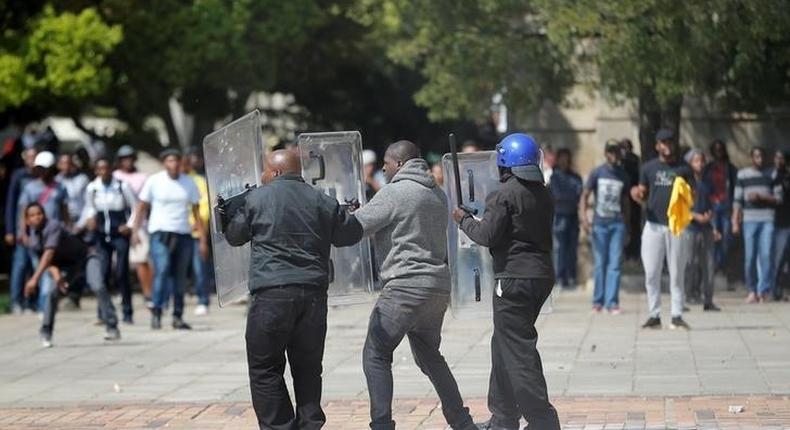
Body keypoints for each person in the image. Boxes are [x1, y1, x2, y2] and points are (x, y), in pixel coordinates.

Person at [222, 149, 363, 430]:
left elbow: (235, 236)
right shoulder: (322, 199)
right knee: (309, 367)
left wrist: (227, 212)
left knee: (265, 368)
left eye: (263, 170)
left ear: (274, 172)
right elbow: (351, 233)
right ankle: (310, 424)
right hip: (313, 296)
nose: (260, 176)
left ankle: (280, 426)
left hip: (271, 294)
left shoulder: (256, 199)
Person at [353, 141, 477, 430]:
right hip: (436, 287)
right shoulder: (438, 194)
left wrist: (344, 216)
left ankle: (382, 425)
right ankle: (461, 421)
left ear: (399, 163)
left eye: (386, 162)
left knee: (376, 353)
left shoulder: (394, 192)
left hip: (404, 287)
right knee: (431, 357)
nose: (383, 168)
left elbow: (358, 227)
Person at [453, 133, 560, 430]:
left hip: (513, 279)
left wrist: (463, 220)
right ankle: (503, 417)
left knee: (518, 351)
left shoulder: (503, 193)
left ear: (505, 162)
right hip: (540, 276)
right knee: (504, 344)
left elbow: (487, 236)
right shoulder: (544, 192)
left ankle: (543, 421)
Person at [22, 203, 120, 347]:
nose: (36, 217)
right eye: (32, 215)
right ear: (27, 220)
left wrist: (34, 279)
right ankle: (46, 331)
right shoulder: (34, 238)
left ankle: (112, 326)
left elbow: (49, 253)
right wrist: (56, 275)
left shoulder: (53, 225)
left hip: (86, 257)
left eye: (39, 213)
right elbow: (47, 260)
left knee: (97, 285)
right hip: (66, 266)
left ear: (44, 215)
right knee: (51, 292)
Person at [133, 149, 206, 330]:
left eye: (176, 161)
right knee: (163, 269)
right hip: (160, 232)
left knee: (180, 276)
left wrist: (203, 239)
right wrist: (135, 230)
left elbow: (197, 213)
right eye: (169, 161)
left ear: (180, 163)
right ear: (164, 163)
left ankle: (178, 315)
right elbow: (142, 207)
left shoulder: (188, 182)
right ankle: (157, 311)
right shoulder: (154, 181)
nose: (173, 165)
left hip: (182, 233)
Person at [630, 129, 692, 330]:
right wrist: (637, 194)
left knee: (676, 272)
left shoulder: (684, 168)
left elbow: (694, 196)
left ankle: (676, 314)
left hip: (676, 226)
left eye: (670, 142)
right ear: (657, 145)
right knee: (651, 272)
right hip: (653, 225)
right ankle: (654, 314)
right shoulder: (648, 168)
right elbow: (642, 193)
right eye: (663, 142)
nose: (667, 146)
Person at [82, 158, 138, 323]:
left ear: (111, 169)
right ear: (96, 171)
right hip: (101, 235)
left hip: (119, 234)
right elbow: (89, 207)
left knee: (121, 273)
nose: (103, 172)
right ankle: (103, 313)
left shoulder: (121, 186)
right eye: (100, 169)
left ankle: (127, 313)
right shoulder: (92, 188)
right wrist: (90, 218)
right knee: (103, 273)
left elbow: (135, 207)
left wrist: (129, 226)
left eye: (106, 168)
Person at [580, 142, 629, 314]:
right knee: (600, 263)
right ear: (605, 153)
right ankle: (598, 301)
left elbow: (625, 202)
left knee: (614, 264)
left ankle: (612, 302)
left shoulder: (623, 175)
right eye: (610, 151)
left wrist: (626, 224)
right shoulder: (598, 172)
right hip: (600, 223)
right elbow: (585, 195)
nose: (613, 155)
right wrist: (584, 218)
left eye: (616, 152)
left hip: (617, 223)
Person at [732, 147, 782, 303]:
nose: (760, 159)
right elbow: (737, 200)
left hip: (767, 219)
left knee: (766, 255)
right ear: (751, 158)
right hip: (749, 220)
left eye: (762, 156)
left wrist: (761, 196)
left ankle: (763, 290)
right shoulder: (743, 174)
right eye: (757, 156)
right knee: (750, 256)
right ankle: (751, 289)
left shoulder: (772, 174)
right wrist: (735, 221)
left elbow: (778, 198)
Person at [114, 145, 153, 307]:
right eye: (124, 158)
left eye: (130, 158)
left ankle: (147, 293)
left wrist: (135, 227)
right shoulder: (115, 176)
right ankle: (122, 292)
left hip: (138, 223)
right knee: (119, 262)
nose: (127, 161)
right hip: (119, 224)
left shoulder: (142, 177)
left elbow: (143, 204)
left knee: (141, 260)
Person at [683, 150, 721, 311]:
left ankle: (709, 299)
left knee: (708, 264)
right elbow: (681, 207)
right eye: (696, 161)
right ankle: (684, 298)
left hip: (706, 228)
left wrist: (711, 219)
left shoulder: (707, 182)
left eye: (702, 161)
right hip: (690, 227)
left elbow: (713, 203)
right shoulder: (684, 182)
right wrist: (696, 217)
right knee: (689, 263)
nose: (700, 164)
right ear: (690, 163)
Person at [5, 148, 38, 313]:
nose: (32, 160)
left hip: (37, 230)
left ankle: (30, 301)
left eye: (35, 156)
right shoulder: (19, 176)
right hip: (21, 230)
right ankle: (16, 301)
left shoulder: (41, 174)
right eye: (30, 157)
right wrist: (10, 230)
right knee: (20, 265)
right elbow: (11, 204)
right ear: (25, 159)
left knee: (34, 267)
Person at [182, 147, 211, 315]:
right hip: (177, 230)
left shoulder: (198, 181)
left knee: (199, 266)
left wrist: (197, 223)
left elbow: (204, 206)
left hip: (195, 231)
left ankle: (203, 299)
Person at [548, 148, 582, 289]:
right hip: (560, 216)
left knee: (572, 249)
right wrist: (570, 197)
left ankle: (571, 276)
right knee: (559, 248)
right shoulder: (555, 177)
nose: (564, 161)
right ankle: (560, 278)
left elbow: (579, 193)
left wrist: (570, 198)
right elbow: (557, 196)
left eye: (566, 158)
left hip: (573, 215)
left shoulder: (575, 177)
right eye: (561, 157)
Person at [705, 140, 738, 275]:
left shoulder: (730, 168)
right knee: (713, 237)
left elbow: (736, 188)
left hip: (726, 206)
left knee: (726, 238)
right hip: (712, 206)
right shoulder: (709, 168)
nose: (719, 152)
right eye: (716, 149)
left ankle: (720, 263)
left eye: (721, 149)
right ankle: (714, 266)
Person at [619, 138, 642, 260]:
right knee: (627, 226)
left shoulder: (632, 160)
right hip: (623, 197)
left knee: (633, 225)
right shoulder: (621, 161)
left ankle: (632, 252)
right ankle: (627, 252)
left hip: (632, 196)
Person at [772, 149, 790, 301]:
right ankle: (775, 289)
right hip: (780, 222)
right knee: (778, 259)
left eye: (782, 158)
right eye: (777, 157)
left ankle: (786, 291)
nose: (779, 161)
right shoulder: (772, 176)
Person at [55, 152, 90, 223]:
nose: (66, 166)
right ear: (58, 165)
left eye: (68, 163)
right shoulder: (56, 181)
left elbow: (88, 203)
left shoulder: (82, 179)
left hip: (80, 219)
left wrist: (81, 224)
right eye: (63, 163)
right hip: (62, 222)